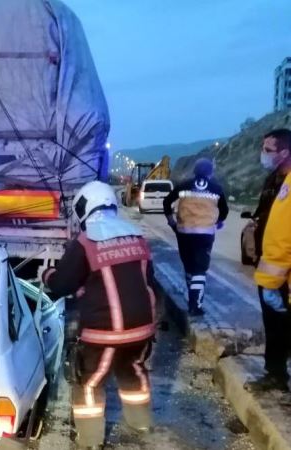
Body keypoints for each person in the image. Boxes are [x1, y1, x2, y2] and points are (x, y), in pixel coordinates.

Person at [42, 181, 156, 450]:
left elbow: (63, 284)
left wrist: (47, 274)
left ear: (83, 209)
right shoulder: (137, 236)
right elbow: (147, 281)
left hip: (104, 331)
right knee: (133, 370)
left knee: (90, 381)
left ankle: (91, 440)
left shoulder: (86, 241)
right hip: (142, 328)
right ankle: (141, 422)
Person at [247, 129, 291, 392]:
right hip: (275, 274)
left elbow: (285, 237)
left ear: (284, 152)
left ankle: (276, 376)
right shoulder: (280, 180)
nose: (263, 154)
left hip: (279, 275)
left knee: (279, 328)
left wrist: (271, 280)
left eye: (268, 149)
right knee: (276, 327)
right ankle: (275, 373)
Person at [163, 158, 229, 316]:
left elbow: (167, 202)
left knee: (189, 266)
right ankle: (195, 306)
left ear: (195, 171)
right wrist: (218, 222)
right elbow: (224, 211)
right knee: (200, 269)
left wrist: (171, 221)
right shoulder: (216, 188)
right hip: (205, 233)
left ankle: (191, 297)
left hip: (184, 232)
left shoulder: (184, 185)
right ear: (210, 172)